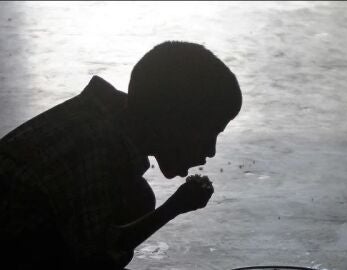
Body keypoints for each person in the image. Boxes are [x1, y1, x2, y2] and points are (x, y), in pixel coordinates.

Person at [0, 41, 242, 269]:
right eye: (209, 134)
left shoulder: (111, 114)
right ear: (170, 123)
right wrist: (173, 208)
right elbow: (98, 256)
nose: (210, 150)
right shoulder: (97, 145)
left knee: (137, 197)